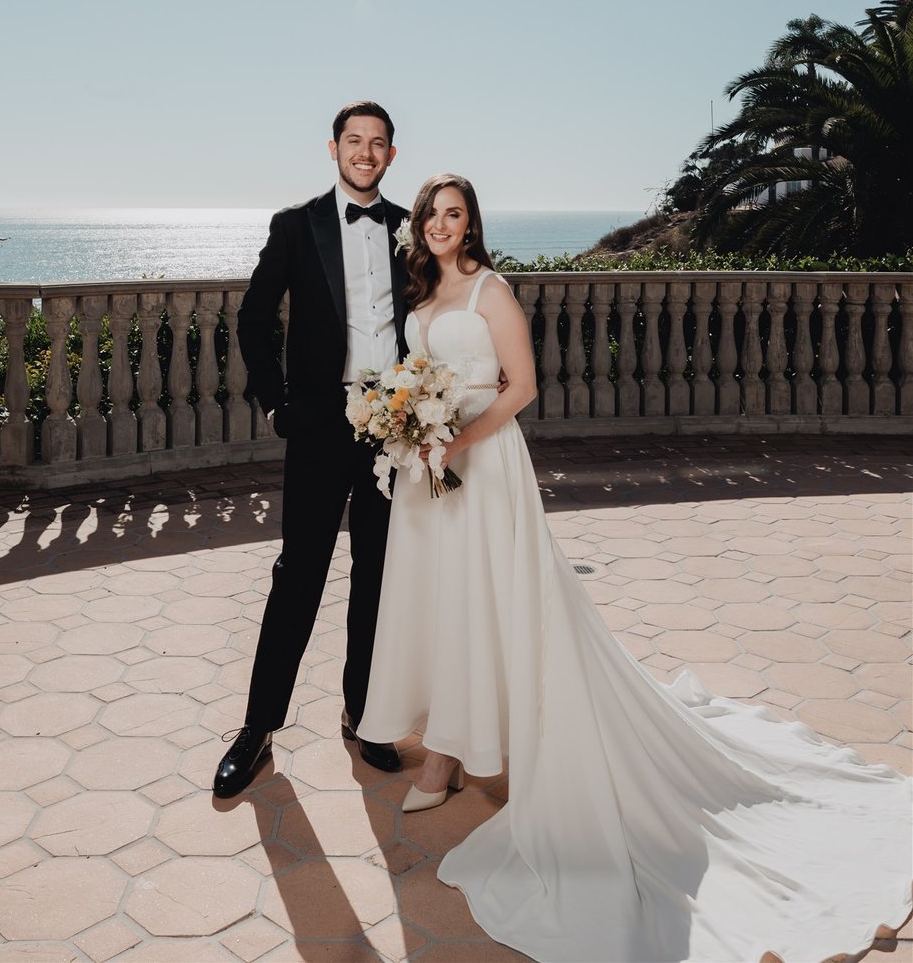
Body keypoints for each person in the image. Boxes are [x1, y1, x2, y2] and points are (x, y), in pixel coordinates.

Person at [359, 173, 913, 963]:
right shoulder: (418, 298)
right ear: (419, 226)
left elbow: (523, 387)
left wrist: (459, 440)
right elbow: (417, 380)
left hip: (483, 468)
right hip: (431, 479)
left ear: (472, 223)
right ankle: (444, 750)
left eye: (456, 214)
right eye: (432, 215)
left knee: (495, 604)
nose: (443, 225)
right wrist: (411, 426)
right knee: (444, 605)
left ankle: (473, 746)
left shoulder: (492, 291)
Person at [212, 101, 409, 798]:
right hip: (320, 429)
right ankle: (257, 729)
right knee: (298, 575)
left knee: (379, 577)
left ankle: (365, 715)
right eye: (353, 141)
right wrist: (278, 403)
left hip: (396, 432)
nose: (365, 152)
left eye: (377, 142)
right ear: (334, 150)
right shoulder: (296, 226)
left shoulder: (411, 232)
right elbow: (253, 317)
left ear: (392, 154)